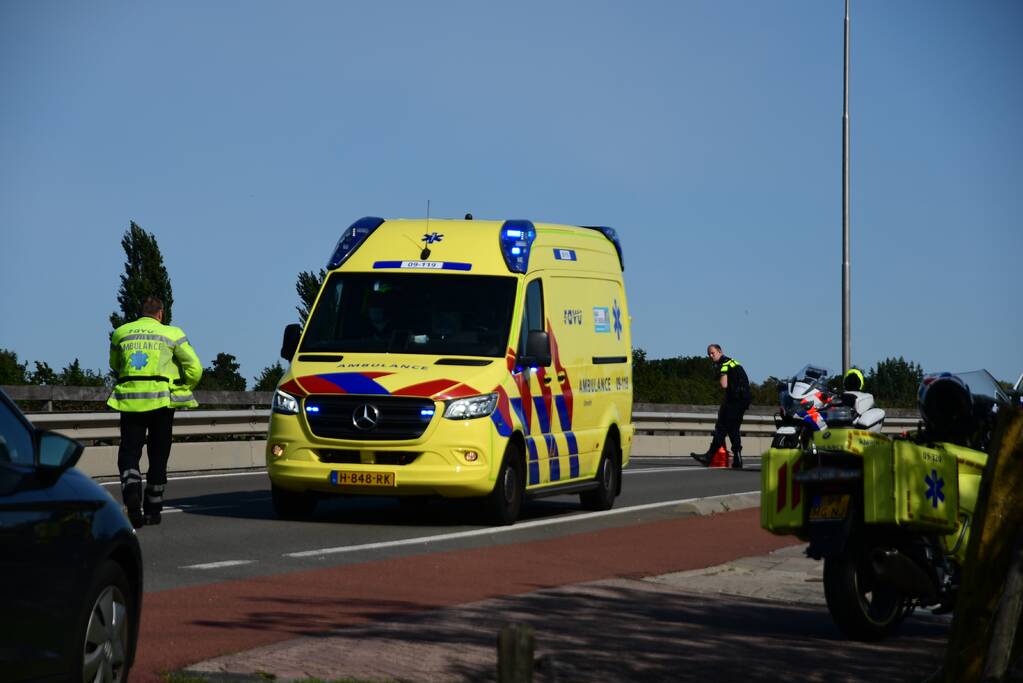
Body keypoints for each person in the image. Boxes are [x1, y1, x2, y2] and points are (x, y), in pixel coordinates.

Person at [107, 296, 202, 528]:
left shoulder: (121, 333)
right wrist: (183, 386)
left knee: (130, 451)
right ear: (161, 314)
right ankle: (153, 508)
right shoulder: (172, 333)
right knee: (159, 454)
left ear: (141, 312)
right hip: (161, 401)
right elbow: (195, 368)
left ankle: (131, 494)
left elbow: (115, 364)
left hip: (130, 401)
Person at [691, 344, 751, 469]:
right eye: (709, 354)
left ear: (720, 351)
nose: (710, 356)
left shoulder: (724, 364)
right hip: (744, 399)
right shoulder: (733, 362)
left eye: (712, 353)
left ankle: (709, 457)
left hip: (734, 399)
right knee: (733, 427)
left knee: (722, 426)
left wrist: (721, 376)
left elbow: (724, 384)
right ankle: (737, 459)